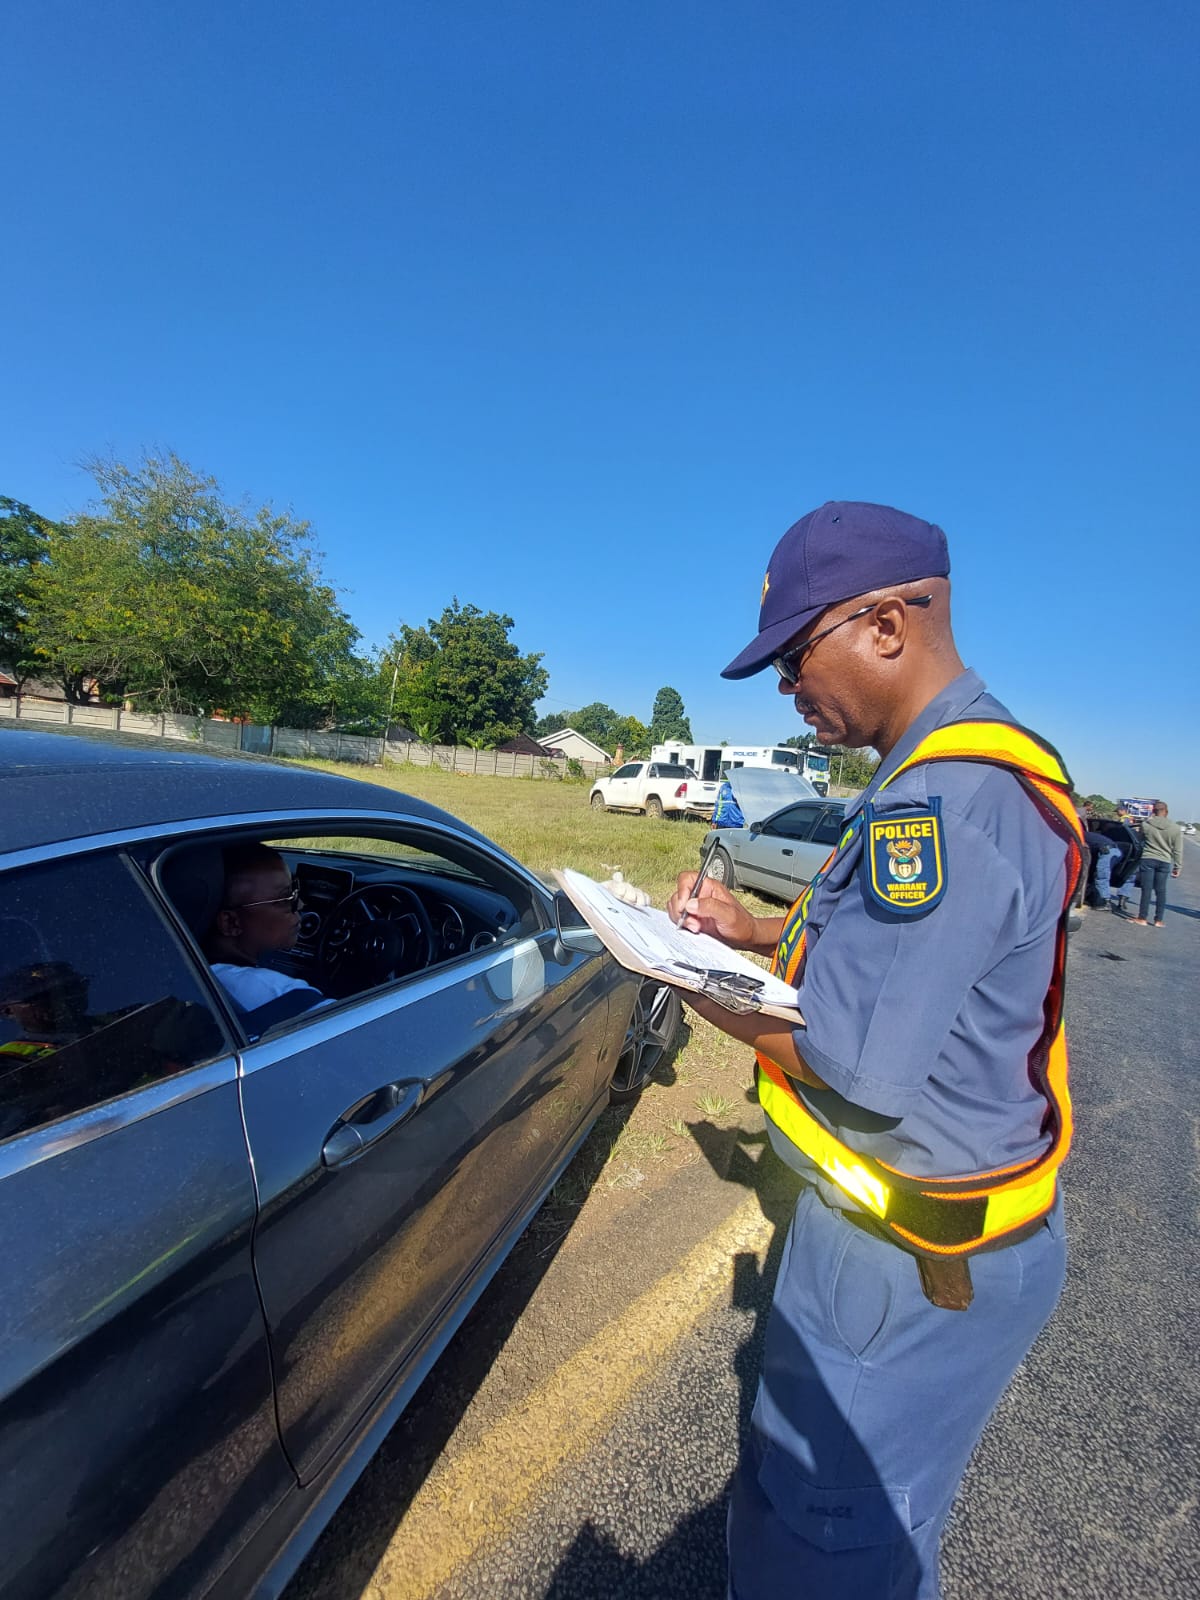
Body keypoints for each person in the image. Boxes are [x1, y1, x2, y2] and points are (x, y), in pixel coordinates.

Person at [666, 501, 1084, 1600]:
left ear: (887, 625)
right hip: (923, 1244)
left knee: (823, 1544)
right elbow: (888, 960)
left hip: (903, 1261)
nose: (788, 692)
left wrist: (675, 970)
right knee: (869, 1525)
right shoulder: (938, 775)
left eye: (795, 658)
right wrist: (747, 930)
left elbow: (856, 1060)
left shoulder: (943, 798)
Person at [204, 844, 326, 1016]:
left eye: (295, 891)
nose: (300, 904)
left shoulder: (191, 974)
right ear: (231, 922)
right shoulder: (283, 995)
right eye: (285, 898)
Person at [1130, 800, 1183, 926]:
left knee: (1146, 889)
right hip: (1165, 861)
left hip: (1148, 858)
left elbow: (1140, 840)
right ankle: (1159, 920)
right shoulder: (1175, 828)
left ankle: (1142, 918)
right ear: (1167, 812)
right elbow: (1178, 850)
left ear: (1153, 811)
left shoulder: (1146, 824)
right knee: (1161, 890)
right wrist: (1178, 866)